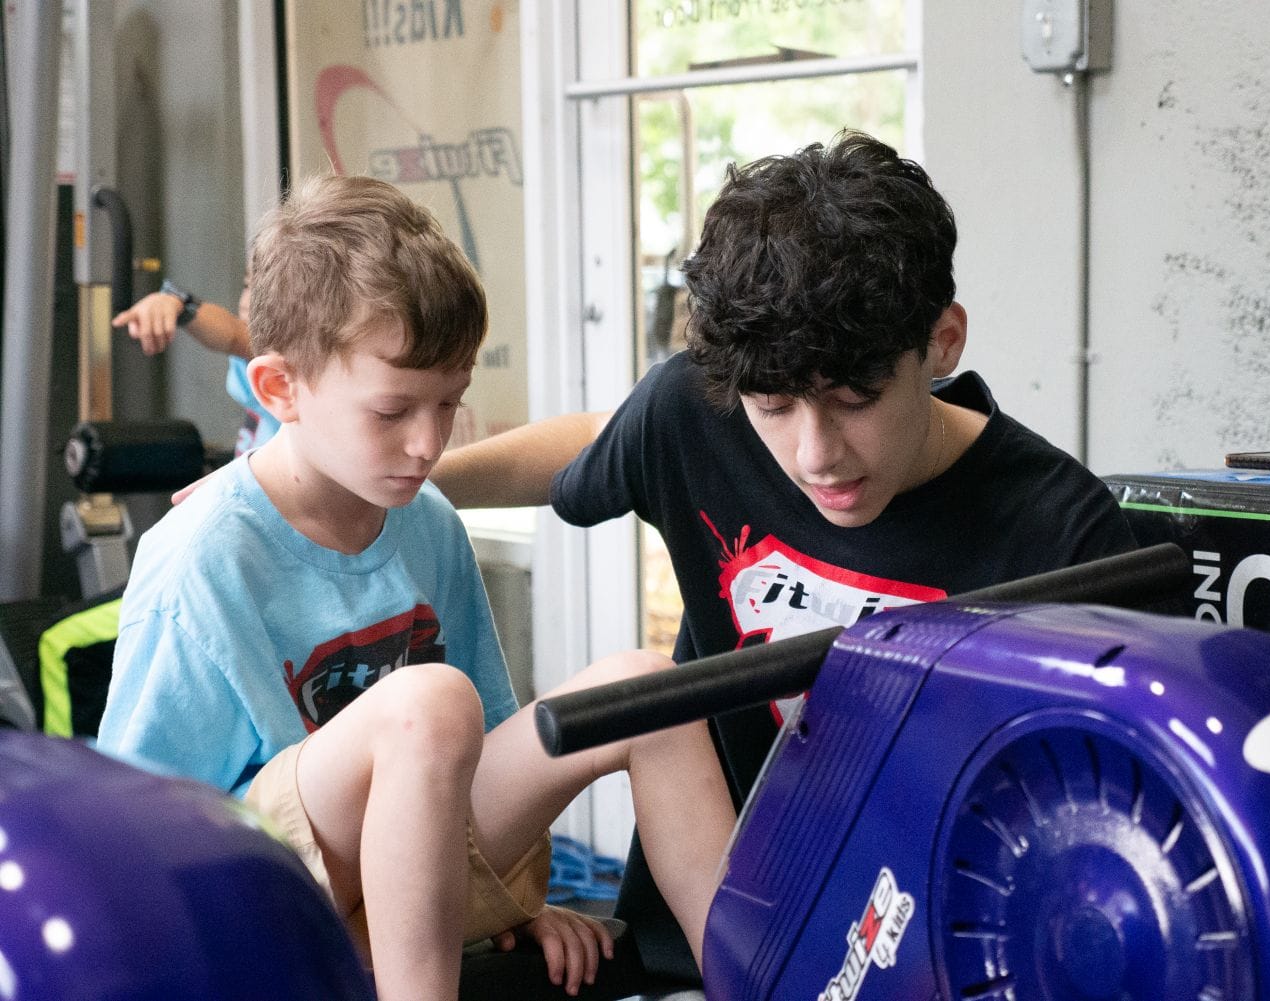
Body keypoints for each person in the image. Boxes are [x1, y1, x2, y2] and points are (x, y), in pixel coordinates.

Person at [431, 130, 1137, 975]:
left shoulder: (1064, 537)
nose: (815, 455)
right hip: (699, 951)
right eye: (774, 407)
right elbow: (592, 443)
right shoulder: (697, 414)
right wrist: (404, 480)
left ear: (942, 341)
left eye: (855, 399)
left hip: (934, 958)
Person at [96, 174, 735, 1001]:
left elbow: (490, 739)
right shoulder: (200, 557)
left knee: (647, 690)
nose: (429, 441)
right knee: (428, 701)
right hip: (257, 896)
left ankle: (761, 981)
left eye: (450, 402)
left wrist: (514, 899)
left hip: (416, 873)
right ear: (279, 390)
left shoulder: (427, 518)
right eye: (394, 410)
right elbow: (132, 832)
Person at [113, 269, 280, 455]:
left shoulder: (292, 379)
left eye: (270, 289)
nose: (250, 302)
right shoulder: (252, 373)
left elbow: (236, 336)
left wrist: (181, 306)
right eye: (248, 285)